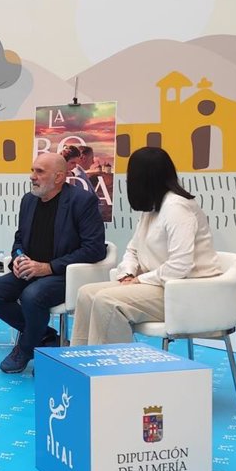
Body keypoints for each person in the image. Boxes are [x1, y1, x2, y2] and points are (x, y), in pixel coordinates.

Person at [70, 146, 222, 346]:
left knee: (107, 301)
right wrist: (127, 274)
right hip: (160, 286)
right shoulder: (152, 207)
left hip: (186, 291)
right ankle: (81, 358)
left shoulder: (177, 208)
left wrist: (140, 280)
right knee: (86, 293)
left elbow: (180, 266)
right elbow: (133, 249)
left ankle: (111, 364)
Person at [0, 152, 105, 374]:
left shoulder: (82, 201)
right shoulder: (28, 200)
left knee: (32, 296)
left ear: (59, 177)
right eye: (32, 170)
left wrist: (48, 267)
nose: (32, 176)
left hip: (65, 275)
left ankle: (25, 348)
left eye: (39, 172)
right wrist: (18, 258)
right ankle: (46, 337)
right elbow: (19, 238)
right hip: (31, 270)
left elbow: (94, 249)